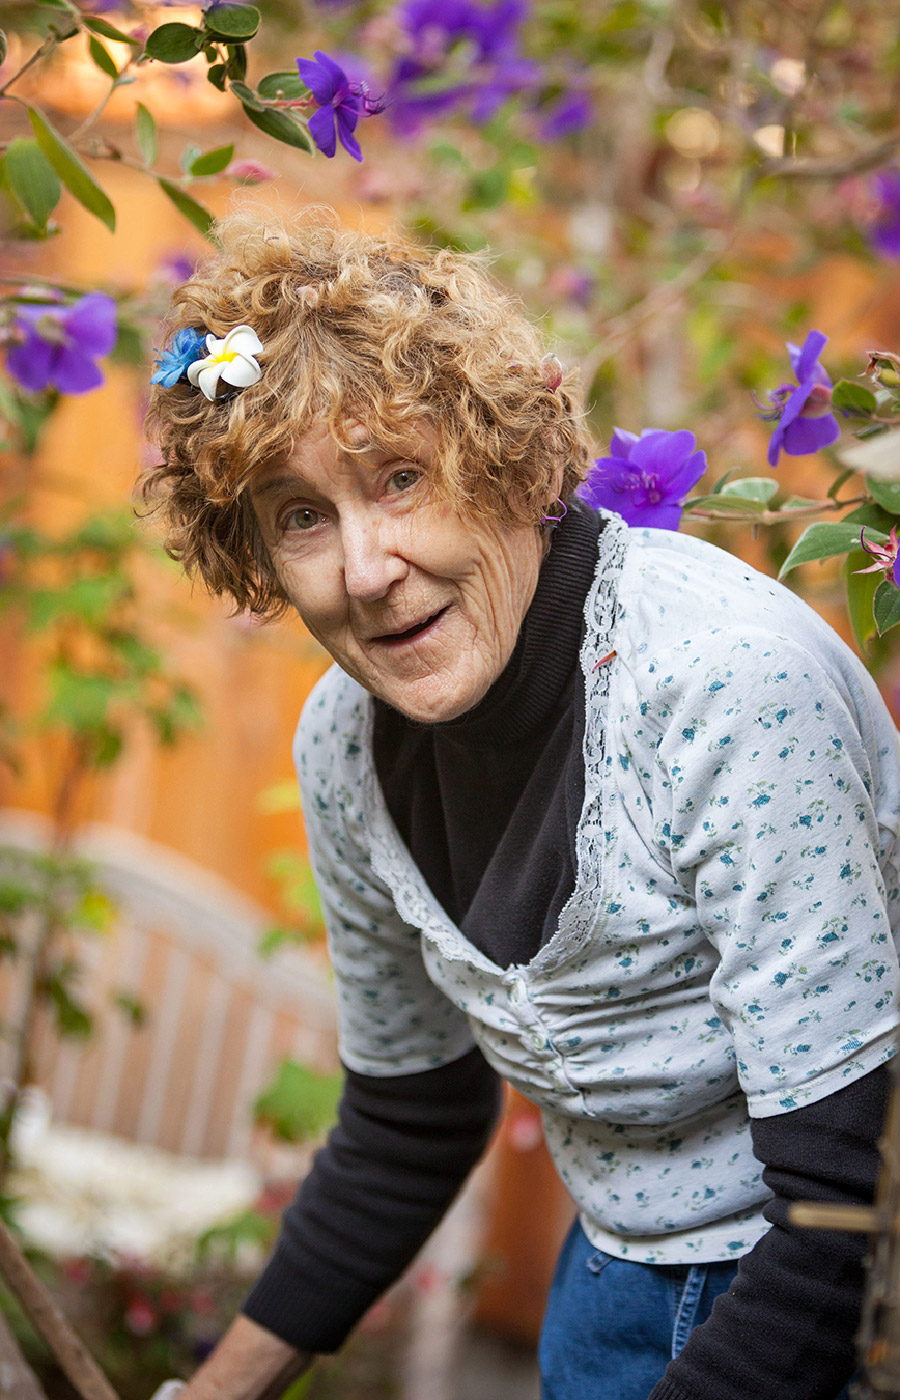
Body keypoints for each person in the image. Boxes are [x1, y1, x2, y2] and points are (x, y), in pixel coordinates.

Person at [143, 206, 900, 1400]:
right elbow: (409, 1122)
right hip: (603, 1290)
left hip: (830, 1307)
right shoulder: (344, 743)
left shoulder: (719, 680)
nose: (364, 568)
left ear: (511, 457)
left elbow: (840, 1185)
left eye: (400, 476)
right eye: (300, 516)